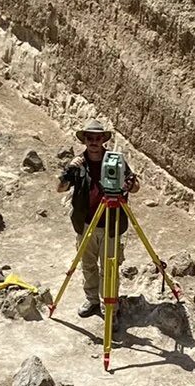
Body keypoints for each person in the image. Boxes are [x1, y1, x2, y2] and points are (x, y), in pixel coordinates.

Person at [57, 121, 140, 317]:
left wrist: (129, 184)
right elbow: (59, 188)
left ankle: (109, 306)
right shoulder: (79, 163)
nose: (94, 142)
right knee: (88, 265)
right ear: (84, 140)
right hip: (85, 224)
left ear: (103, 139)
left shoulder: (115, 160)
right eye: (90, 138)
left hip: (111, 224)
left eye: (97, 138)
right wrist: (69, 170)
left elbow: (135, 188)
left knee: (109, 268)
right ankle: (92, 300)